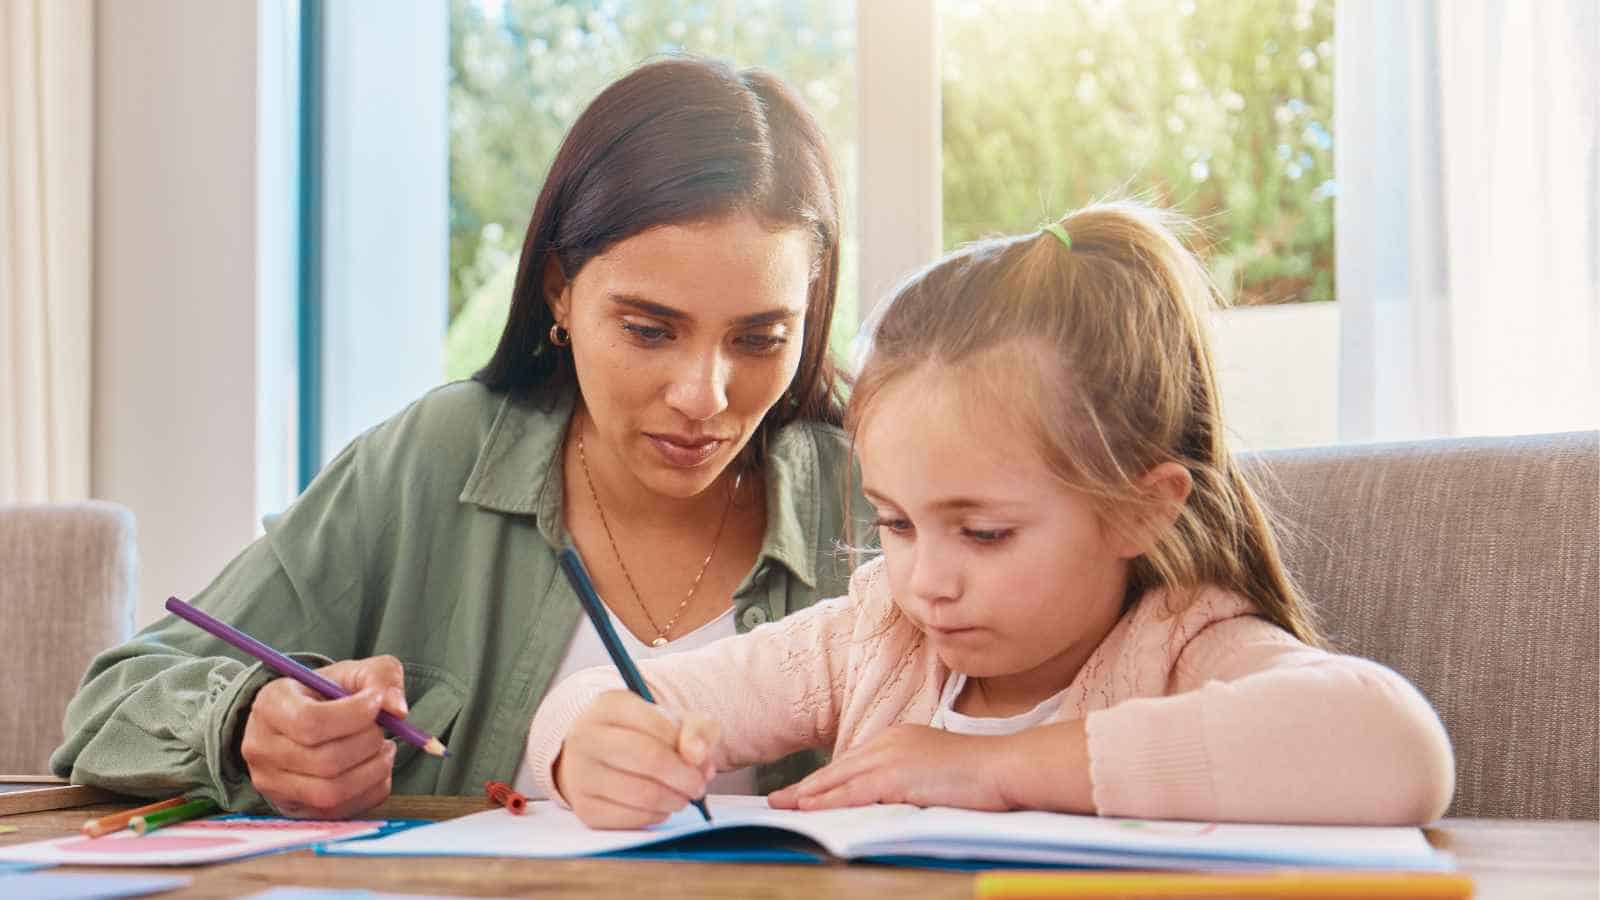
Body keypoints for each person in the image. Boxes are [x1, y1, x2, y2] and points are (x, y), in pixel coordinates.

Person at [51, 56, 871, 819]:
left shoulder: (875, 503)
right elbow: (112, 700)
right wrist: (247, 724)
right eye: (651, 331)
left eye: (759, 339)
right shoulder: (435, 461)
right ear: (560, 292)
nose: (704, 395)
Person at [527, 202, 1457, 829]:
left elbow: (1399, 747)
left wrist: (988, 770)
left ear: (1142, 510)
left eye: (984, 533)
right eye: (895, 523)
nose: (926, 579)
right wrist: (588, 747)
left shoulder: (1177, 645)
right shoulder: (874, 639)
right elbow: (618, 699)